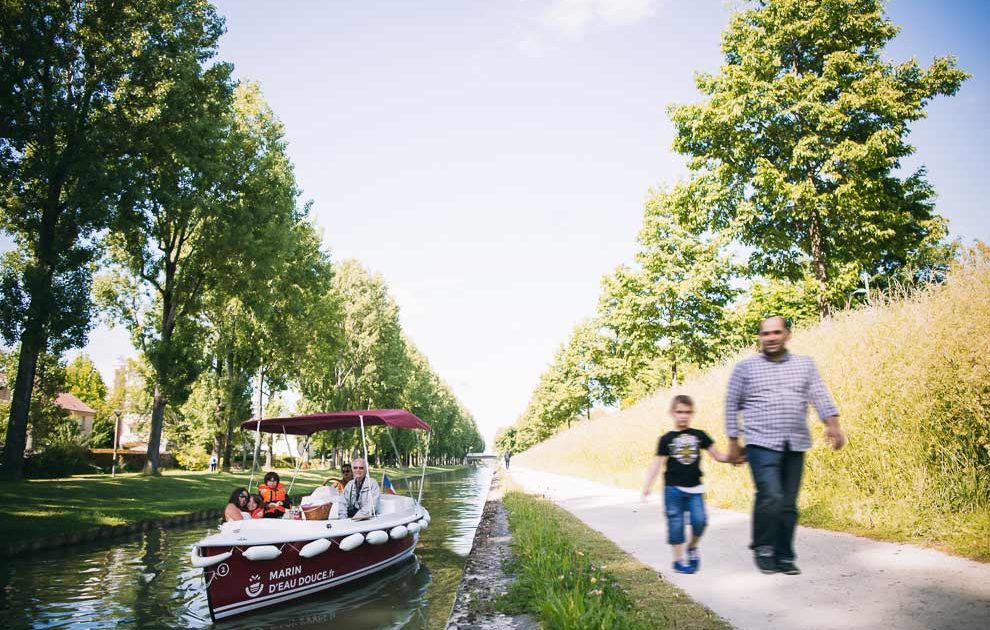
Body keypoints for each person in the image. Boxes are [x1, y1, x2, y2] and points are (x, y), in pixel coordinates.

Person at [725, 315, 846, 575]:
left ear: (787, 334)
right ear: (759, 337)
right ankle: (764, 546)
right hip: (759, 442)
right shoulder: (745, 369)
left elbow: (820, 395)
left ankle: (785, 554)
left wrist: (833, 425)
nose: (771, 338)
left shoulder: (805, 365)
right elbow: (731, 404)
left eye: (776, 332)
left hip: (795, 442)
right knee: (771, 495)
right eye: (765, 333)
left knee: (789, 503)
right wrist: (733, 441)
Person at [642, 395, 730, 574]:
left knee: (700, 521)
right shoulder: (666, 439)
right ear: (672, 413)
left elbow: (718, 455)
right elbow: (656, 463)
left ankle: (692, 547)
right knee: (676, 524)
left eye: (687, 412)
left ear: (692, 414)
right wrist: (647, 485)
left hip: (695, 489)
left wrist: (734, 457)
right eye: (679, 412)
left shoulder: (699, 435)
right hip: (672, 489)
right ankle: (678, 560)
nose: (683, 416)